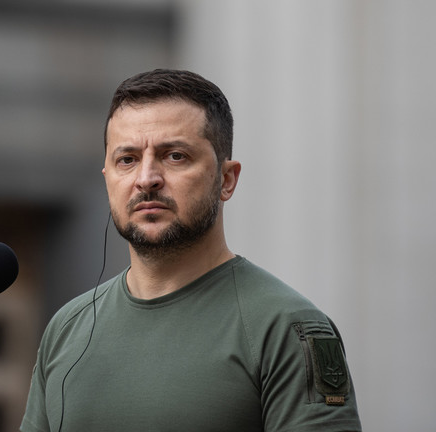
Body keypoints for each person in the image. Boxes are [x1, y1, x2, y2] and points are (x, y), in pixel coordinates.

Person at [20, 69, 362, 431]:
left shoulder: (287, 328)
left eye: (175, 156)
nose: (146, 179)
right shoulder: (66, 329)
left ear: (226, 179)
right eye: (127, 159)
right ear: (108, 178)